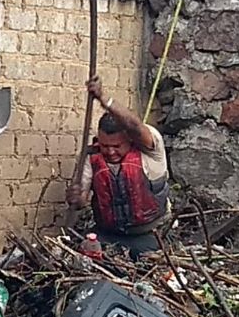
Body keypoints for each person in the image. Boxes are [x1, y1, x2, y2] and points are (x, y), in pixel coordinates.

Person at [67, 75, 171, 260]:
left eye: (117, 146)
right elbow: (81, 201)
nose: (110, 152)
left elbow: (134, 125)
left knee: (150, 265)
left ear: (129, 140)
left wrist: (103, 99)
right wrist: (75, 198)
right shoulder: (91, 156)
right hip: (108, 234)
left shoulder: (150, 148)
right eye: (105, 146)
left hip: (149, 234)